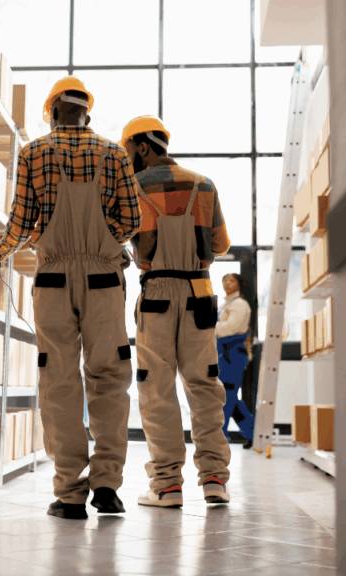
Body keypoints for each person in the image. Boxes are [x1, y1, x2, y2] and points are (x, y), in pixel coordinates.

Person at [0, 76, 140, 520]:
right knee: (110, 376)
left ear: (53, 110)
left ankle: (70, 492)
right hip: (104, 280)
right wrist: (102, 244)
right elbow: (132, 218)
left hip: (52, 277)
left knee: (59, 382)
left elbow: (19, 222)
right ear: (85, 111)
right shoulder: (113, 152)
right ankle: (107, 483)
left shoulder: (32, 153)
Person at [121, 115, 232, 508]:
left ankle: (167, 485)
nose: (127, 158)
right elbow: (218, 244)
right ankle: (215, 479)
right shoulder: (204, 184)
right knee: (205, 386)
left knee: (157, 389)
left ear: (144, 146)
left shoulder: (132, 187)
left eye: (129, 150)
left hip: (157, 296)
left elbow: (120, 240)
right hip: (200, 290)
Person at [216, 273, 256, 449]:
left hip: (232, 355)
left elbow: (228, 329)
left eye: (231, 281)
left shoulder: (239, 304)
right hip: (224, 354)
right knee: (229, 398)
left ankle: (220, 438)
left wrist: (209, 326)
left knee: (225, 397)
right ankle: (252, 432)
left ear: (239, 284)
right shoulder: (225, 304)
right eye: (224, 280)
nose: (227, 283)